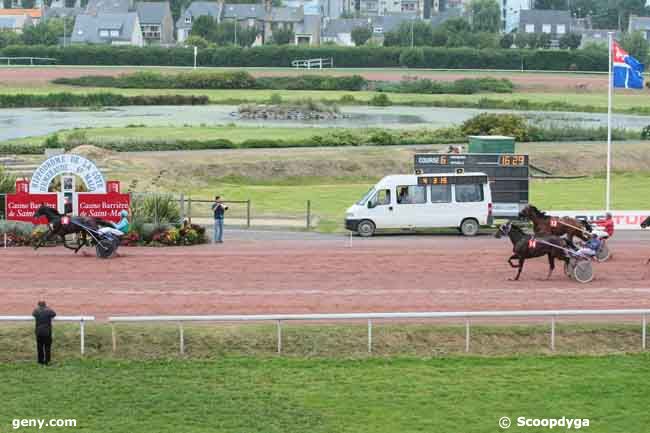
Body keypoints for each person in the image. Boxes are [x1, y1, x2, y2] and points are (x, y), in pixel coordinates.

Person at [32, 301, 56, 365]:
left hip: (39, 332)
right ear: (45, 305)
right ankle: (47, 361)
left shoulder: (36, 311)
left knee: (39, 347)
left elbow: (33, 314)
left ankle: (40, 361)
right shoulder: (48, 311)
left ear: (38, 305)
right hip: (47, 332)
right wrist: (48, 308)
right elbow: (54, 314)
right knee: (47, 347)